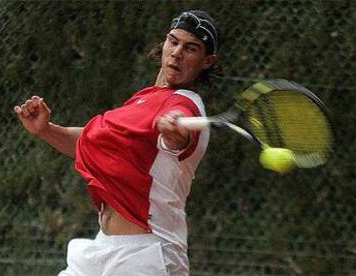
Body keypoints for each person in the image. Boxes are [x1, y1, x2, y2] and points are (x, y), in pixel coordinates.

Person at [14, 10, 219, 276]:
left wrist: (175, 131)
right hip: (103, 246)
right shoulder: (144, 99)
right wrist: (46, 130)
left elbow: (181, 135)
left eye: (190, 48)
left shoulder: (185, 104)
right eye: (173, 41)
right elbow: (92, 143)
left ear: (206, 61)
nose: (177, 52)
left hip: (149, 254)